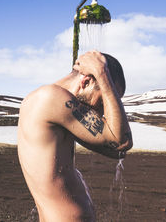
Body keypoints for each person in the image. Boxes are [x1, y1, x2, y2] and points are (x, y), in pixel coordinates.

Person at [17, 50, 133, 221]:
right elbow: (121, 143)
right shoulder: (51, 97)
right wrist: (103, 76)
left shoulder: (51, 102)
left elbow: (116, 150)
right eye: (102, 101)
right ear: (86, 81)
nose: (101, 113)